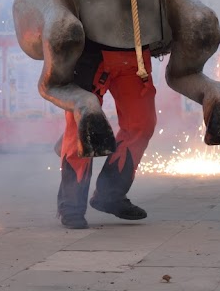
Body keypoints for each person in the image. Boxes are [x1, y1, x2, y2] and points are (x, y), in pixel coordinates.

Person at [57, 39, 157, 229]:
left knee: (142, 123)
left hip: (134, 53)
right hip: (90, 51)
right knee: (81, 125)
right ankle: (71, 204)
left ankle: (110, 194)